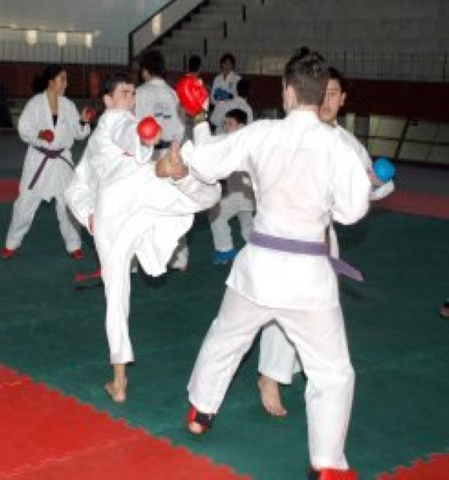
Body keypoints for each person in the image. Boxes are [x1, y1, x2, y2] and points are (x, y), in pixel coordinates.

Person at [181, 48, 370, 479]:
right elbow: (351, 212)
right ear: (321, 93)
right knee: (332, 373)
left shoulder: (262, 134)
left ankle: (200, 410)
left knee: (226, 337)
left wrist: (198, 118)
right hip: (308, 278)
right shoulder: (338, 146)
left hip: (260, 269)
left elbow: (205, 163)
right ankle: (328, 465)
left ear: (287, 91)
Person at [65, 72, 220, 404]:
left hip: (111, 212)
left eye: (133, 92)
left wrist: (89, 216)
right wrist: (143, 134)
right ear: (107, 100)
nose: (130, 98)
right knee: (206, 195)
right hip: (136, 188)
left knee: (116, 294)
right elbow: (126, 130)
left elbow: (75, 187)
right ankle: (172, 171)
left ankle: (119, 380)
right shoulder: (115, 119)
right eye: (124, 92)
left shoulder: (95, 143)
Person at [257, 67, 397, 418]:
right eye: (323, 92)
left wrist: (373, 183)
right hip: (284, 233)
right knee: (280, 304)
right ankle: (270, 376)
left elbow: (370, 189)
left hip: (322, 238)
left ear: (343, 99)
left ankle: (311, 369)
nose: (327, 100)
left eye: (334, 93)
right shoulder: (293, 133)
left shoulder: (347, 144)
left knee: (319, 307)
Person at [0, 64, 91, 261]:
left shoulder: (68, 105)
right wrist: (40, 134)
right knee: (25, 203)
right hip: (39, 160)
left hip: (61, 161)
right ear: (51, 82)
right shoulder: (34, 104)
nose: (66, 83)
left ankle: (74, 245)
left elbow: (78, 133)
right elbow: (24, 129)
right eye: (63, 79)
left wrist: (83, 121)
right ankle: (12, 243)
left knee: (67, 203)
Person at [135, 49, 188, 271]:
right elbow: (182, 126)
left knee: (141, 207)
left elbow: (134, 126)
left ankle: (135, 261)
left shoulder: (139, 93)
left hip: (147, 154)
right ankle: (180, 259)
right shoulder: (173, 94)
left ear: (145, 70)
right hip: (172, 152)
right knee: (172, 206)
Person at [207, 108, 255, 265]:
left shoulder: (240, 143)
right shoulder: (238, 141)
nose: (226, 126)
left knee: (216, 214)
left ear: (241, 126)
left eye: (230, 123)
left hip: (240, 192)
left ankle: (226, 250)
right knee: (247, 225)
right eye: (225, 123)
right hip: (246, 193)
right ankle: (259, 250)